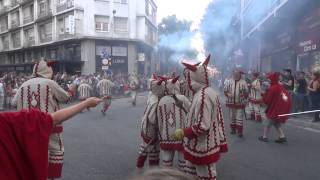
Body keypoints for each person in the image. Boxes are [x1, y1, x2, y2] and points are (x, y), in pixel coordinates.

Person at [0, 97, 102, 180]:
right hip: (36, 126)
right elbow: (64, 100)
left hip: (30, 125)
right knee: (56, 150)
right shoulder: (4, 120)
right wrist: (86, 103)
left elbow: (14, 101)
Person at [12, 59, 75, 179]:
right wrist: (71, 90)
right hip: (49, 127)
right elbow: (66, 98)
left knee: (32, 154)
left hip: (28, 128)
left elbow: (14, 102)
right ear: (47, 70)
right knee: (53, 151)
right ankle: (49, 177)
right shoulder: (50, 83)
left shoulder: (24, 85)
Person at [173, 55, 228, 180]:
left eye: (188, 78)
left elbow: (202, 126)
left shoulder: (204, 95)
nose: (186, 82)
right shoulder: (203, 92)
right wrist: (183, 105)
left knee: (206, 176)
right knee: (193, 175)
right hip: (197, 145)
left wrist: (183, 132)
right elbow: (196, 116)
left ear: (194, 78)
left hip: (203, 146)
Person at [157, 76, 191, 169]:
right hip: (181, 134)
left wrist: (161, 134)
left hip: (166, 135)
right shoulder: (183, 98)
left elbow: (159, 121)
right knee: (183, 160)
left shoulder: (161, 101)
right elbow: (191, 113)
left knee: (167, 161)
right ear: (177, 86)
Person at [136, 74, 164, 169]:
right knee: (153, 149)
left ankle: (140, 164)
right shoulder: (157, 101)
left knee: (144, 146)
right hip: (151, 129)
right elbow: (153, 119)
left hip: (145, 126)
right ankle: (153, 169)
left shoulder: (151, 96)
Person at [259, 72, 292, 143]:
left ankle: (264, 137)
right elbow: (286, 98)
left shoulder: (273, 88)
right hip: (279, 108)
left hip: (274, 109)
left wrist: (264, 94)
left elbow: (267, 100)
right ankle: (282, 136)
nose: (269, 81)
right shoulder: (280, 87)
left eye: (269, 79)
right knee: (276, 123)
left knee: (267, 122)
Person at [224, 69, 249, 137]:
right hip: (231, 103)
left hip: (240, 103)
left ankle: (240, 132)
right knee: (232, 117)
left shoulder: (243, 82)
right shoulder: (229, 81)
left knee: (239, 118)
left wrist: (243, 95)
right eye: (235, 74)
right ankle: (233, 129)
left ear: (240, 75)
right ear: (233, 74)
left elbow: (247, 93)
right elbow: (225, 91)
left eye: (237, 74)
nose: (236, 75)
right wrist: (228, 94)